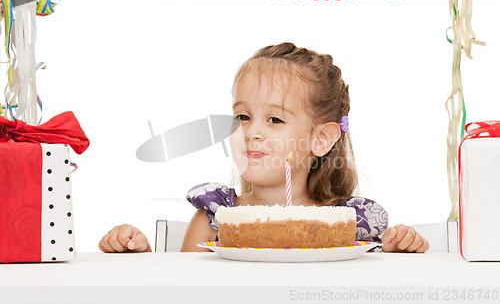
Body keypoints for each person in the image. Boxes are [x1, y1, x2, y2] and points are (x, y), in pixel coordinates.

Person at [99, 42, 429, 254]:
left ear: (321, 138)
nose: (251, 131)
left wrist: (401, 250)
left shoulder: (349, 224)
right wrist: (137, 257)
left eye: (274, 119)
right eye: (243, 116)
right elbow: (183, 292)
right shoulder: (215, 220)